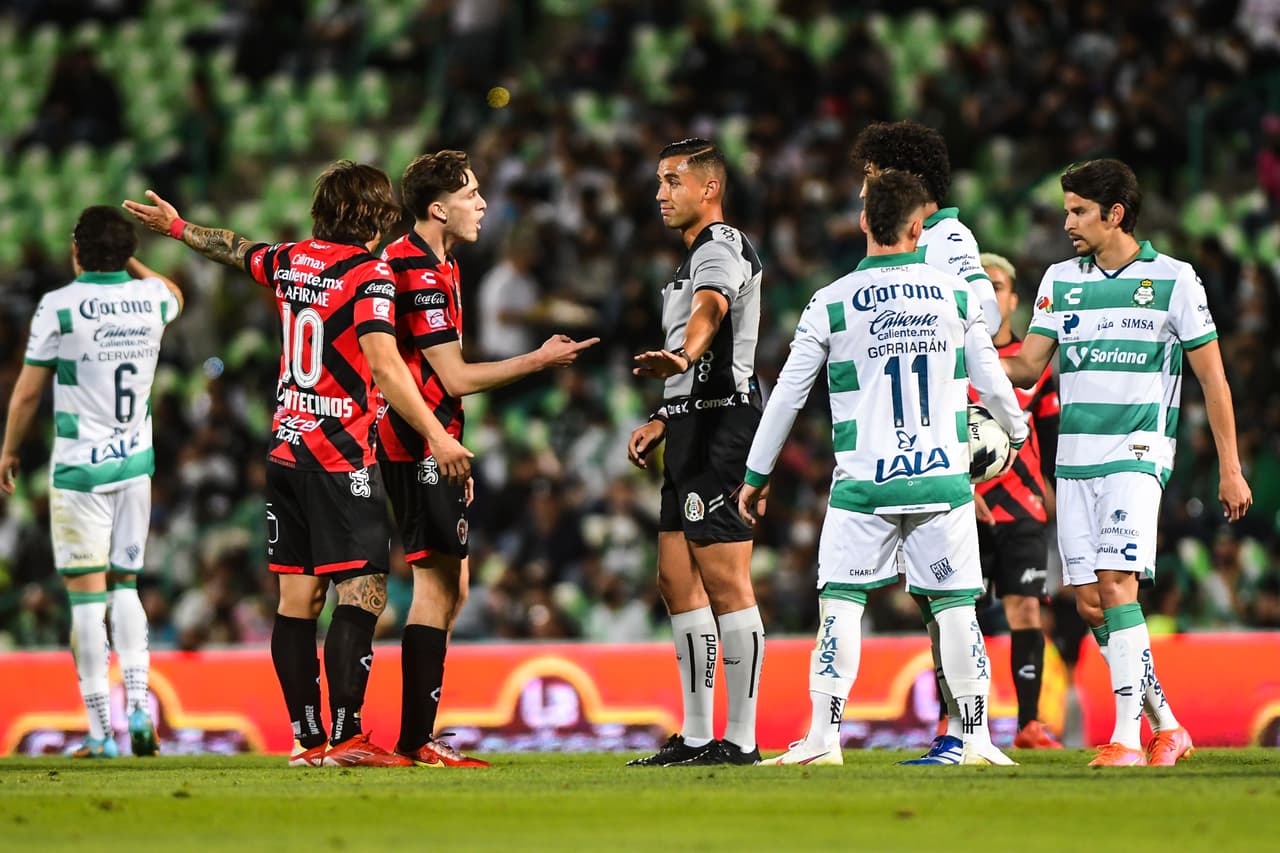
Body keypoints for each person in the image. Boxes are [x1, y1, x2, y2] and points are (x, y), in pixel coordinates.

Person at [123, 161, 473, 767]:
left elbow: (234, 249)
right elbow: (387, 367)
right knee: (362, 594)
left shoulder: (292, 260)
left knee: (297, 601)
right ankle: (346, 737)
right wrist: (437, 438)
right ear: (374, 215)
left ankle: (308, 741)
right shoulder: (371, 276)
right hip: (341, 456)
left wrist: (179, 228)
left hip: (286, 449)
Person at [738, 170, 1028, 767]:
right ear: (919, 226)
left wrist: (755, 475)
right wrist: (1016, 430)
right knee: (954, 608)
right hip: (943, 478)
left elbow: (788, 395)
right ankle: (975, 739)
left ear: (865, 221)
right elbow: (990, 375)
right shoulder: (953, 294)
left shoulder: (831, 301)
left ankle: (824, 738)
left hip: (865, 483)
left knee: (841, 604)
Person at [1002, 158, 1252, 766]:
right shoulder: (1060, 280)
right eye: (1066, 210)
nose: (1067, 222)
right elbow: (1029, 365)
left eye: (1078, 211)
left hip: (1137, 454)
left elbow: (1213, 380)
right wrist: (961, 352)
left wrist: (1230, 465)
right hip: (1076, 459)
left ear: (1115, 214)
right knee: (1090, 602)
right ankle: (1167, 724)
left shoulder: (1174, 281)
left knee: (1118, 585)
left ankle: (1124, 739)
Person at [378, 150, 597, 767]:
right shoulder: (417, 271)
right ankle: (414, 739)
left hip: (432, 438)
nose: (481, 203)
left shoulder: (438, 263)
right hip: (415, 440)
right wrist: (539, 359)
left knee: (454, 584)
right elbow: (450, 377)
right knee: (435, 582)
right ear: (437, 208)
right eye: (470, 194)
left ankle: (419, 731)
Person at [1, 206, 182, 759]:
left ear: (76, 251)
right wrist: (130, 260)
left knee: (86, 601)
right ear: (125, 253)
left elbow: (30, 391)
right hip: (135, 466)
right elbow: (173, 289)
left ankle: (103, 733)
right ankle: (136, 706)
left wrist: (9, 448)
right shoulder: (151, 299)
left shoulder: (59, 306)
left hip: (80, 471)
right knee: (126, 586)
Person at [853, 120, 1006, 764]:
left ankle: (966, 732)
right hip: (917, 433)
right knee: (933, 595)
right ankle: (959, 729)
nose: (862, 191)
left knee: (949, 594)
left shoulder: (946, 238)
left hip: (944, 436)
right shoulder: (923, 241)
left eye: (869, 177)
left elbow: (987, 315)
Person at [625, 138, 765, 766]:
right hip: (689, 425)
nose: (661, 193)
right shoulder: (689, 259)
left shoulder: (720, 247)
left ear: (708, 187)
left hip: (723, 428)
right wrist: (664, 413)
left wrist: (682, 355)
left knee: (725, 580)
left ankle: (741, 740)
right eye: (659, 181)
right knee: (675, 578)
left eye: (672, 181)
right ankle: (699, 733)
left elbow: (711, 311)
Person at [971, 252, 1063, 750]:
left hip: (1022, 507)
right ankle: (956, 724)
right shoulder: (952, 359)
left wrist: (1054, 496)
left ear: (1012, 298)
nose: (990, 293)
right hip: (962, 508)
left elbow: (1051, 440)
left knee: (1026, 610)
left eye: (998, 284)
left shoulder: (1034, 368)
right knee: (957, 612)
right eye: (980, 285)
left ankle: (1029, 723)